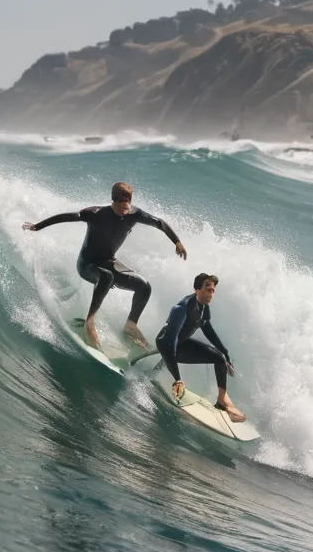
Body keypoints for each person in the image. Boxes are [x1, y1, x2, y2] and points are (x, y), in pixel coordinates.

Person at [22, 181, 186, 349]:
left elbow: (159, 223)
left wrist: (177, 242)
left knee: (144, 286)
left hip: (108, 261)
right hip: (87, 264)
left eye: (129, 202)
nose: (127, 207)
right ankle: (90, 322)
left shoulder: (135, 214)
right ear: (113, 201)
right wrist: (37, 226)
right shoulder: (96, 214)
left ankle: (130, 326)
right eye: (123, 203)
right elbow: (65, 217)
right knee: (106, 276)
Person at [156, 273, 245, 423]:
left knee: (219, 358)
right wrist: (178, 379)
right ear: (197, 289)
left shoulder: (204, 307)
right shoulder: (182, 308)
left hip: (181, 344)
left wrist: (226, 353)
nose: (211, 291)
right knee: (168, 359)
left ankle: (222, 401)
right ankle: (162, 374)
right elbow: (169, 342)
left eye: (213, 290)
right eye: (207, 288)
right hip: (166, 344)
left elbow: (207, 329)